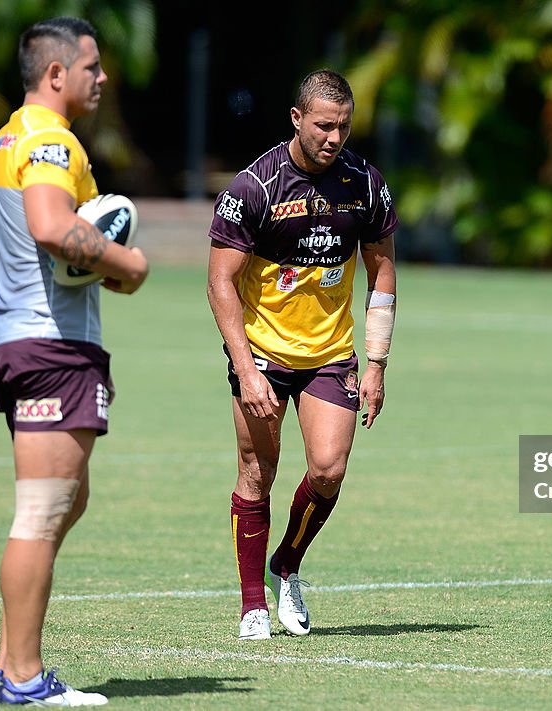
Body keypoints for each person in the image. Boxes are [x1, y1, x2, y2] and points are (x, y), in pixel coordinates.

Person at [0, 16, 149, 706]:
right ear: (57, 75)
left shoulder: (6, 140)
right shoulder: (51, 141)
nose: (102, 78)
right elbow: (51, 227)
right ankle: (21, 677)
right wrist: (126, 262)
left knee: (66, 499)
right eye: (92, 67)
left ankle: (7, 663)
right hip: (49, 346)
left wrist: (88, 264)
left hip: (19, 337)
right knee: (44, 511)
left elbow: (43, 244)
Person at [206, 69, 398, 640]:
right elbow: (220, 283)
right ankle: (251, 606)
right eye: (323, 126)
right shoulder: (255, 188)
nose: (335, 138)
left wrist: (377, 361)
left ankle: (287, 564)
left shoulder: (365, 185)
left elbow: (381, 273)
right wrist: (244, 368)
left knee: (329, 470)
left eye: (343, 126)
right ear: (297, 119)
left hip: (330, 353)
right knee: (256, 472)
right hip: (262, 352)